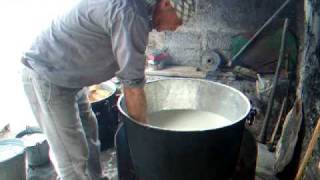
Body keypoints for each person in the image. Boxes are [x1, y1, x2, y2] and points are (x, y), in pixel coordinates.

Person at [21, 0, 195, 179]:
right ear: (166, 4)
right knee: (72, 158)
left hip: (70, 77)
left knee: (89, 134)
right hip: (48, 74)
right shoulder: (131, 14)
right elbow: (133, 88)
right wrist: (145, 141)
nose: (175, 28)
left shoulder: (137, 12)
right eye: (179, 21)